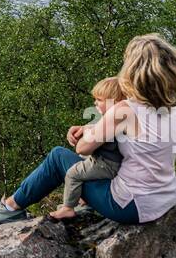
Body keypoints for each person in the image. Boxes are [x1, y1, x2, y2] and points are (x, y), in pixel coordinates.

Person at [0, 34, 176, 229]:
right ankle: (74, 202)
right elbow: (133, 140)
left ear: (132, 69)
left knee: (58, 157)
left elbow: (83, 148)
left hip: (129, 206)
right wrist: (93, 127)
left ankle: (9, 209)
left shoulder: (124, 110)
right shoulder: (169, 107)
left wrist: (86, 133)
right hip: (164, 197)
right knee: (98, 161)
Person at [49, 76, 124, 220]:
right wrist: (86, 128)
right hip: (109, 161)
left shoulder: (115, 119)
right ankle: (83, 200)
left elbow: (88, 145)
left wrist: (87, 132)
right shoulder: (118, 117)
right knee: (82, 161)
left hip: (107, 164)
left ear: (114, 102)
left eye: (100, 100)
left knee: (73, 173)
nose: (95, 103)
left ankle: (68, 208)